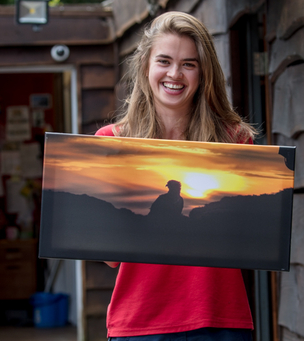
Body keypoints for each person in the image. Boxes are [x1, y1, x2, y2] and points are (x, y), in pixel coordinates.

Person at [95, 11, 256, 341]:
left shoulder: (234, 140)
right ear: (146, 67)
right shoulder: (112, 142)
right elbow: (110, 258)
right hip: (140, 322)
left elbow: (248, 240)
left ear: (203, 73)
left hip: (219, 317)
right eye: (164, 61)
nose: (174, 74)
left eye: (188, 64)